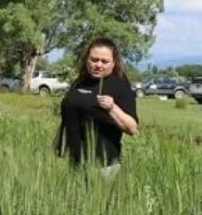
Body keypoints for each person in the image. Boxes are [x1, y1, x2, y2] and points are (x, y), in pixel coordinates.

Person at [54, 37, 139, 175]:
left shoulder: (120, 86)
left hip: (103, 167)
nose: (98, 65)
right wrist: (56, 147)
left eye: (104, 61)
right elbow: (67, 119)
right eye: (94, 60)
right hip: (72, 163)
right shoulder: (79, 82)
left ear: (113, 63)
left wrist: (112, 108)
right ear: (87, 59)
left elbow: (132, 129)